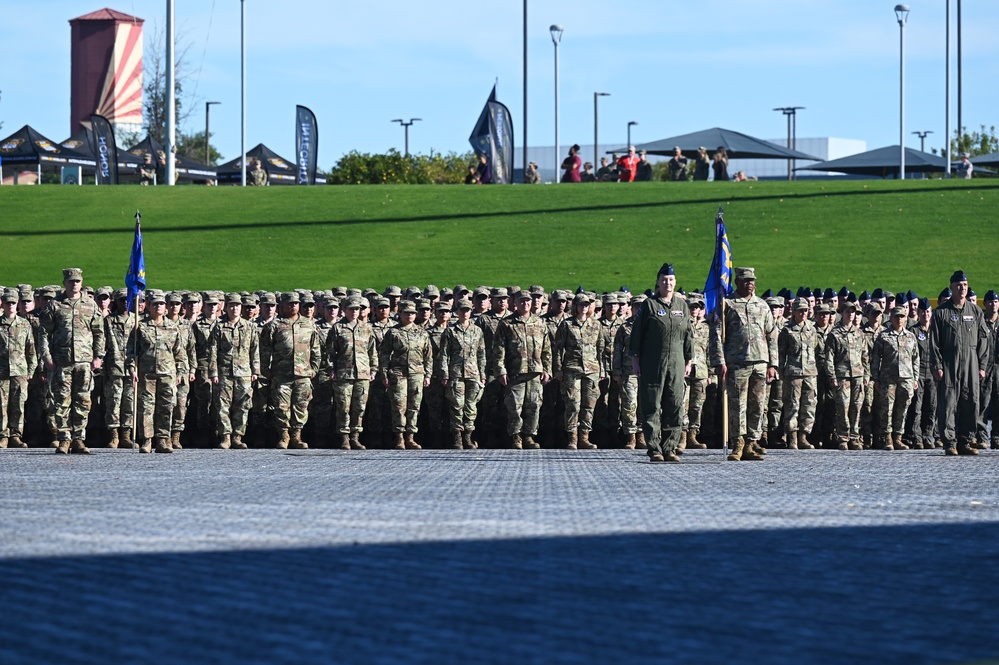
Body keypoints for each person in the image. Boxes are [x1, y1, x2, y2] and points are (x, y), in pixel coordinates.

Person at [709, 266, 777, 462]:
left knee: (758, 404)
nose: (750, 284)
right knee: (737, 404)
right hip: (737, 361)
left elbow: (772, 335)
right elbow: (717, 335)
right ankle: (737, 442)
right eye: (746, 280)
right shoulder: (727, 304)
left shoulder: (762, 306)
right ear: (737, 282)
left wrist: (773, 364)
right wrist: (719, 361)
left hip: (760, 362)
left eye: (753, 280)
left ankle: (751, 443)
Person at [630, 263, 693, 463]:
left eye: (671, 280)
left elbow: (688, 335)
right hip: (652, 363)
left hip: (677, 362)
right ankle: (654, 448)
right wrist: (635, 360)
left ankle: (670, 448)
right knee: (652, 405)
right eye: (664, 280)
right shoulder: (650, 305)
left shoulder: (681, 305)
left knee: (675, 405)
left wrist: (689, 360)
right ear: (658, 282)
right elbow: (637, 334)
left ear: (675, 282)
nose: (668, 283)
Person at [39, 268, 105, 455]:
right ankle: (64, 439)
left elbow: (99, 333)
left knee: (83, 400)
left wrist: (98, 356)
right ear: (64, 283)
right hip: (62, 361)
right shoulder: (55, 305)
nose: (74, 284)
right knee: (61, 401)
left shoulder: (90, 305)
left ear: (81, 283)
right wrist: (47, 358)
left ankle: (79, 439)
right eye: (71, 281)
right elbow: (43, 333)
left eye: (77, 281)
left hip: (84, 360)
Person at [931, 270, 988, 456]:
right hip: (949, 361)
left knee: (970, 400)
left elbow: (983, 340)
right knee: (948, 402)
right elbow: (934, 342)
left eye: (964, 284)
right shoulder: (941, 313)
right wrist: (937, 366)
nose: (962, 288)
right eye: (958, 285)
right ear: (951, 287)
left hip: (971, 362)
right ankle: (950, 442)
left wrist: (982, 366)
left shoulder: (975, 311)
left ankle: (965, 440)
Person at [126, 289, 187, 454]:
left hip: (167, 374)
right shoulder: (141, 327)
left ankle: (163, 440)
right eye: (155, 304)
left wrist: (181, 372)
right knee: (146, 408)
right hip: (147, 374)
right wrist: (132, 369)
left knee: (166, 407)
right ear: (149, 306)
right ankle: (146, 440)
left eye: (161, 304)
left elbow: (180, 353)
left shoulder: (173, 328)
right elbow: (131, 352)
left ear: (165, 307)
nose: (158, 307)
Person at [260, 291, 321, 450]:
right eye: (289, 303)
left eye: (295, 303)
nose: (293, 306)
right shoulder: (275, 326)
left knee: (301, 406)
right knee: (281, 406)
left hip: (303, 374)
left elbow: (315, 349)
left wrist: (314, 368)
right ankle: (284, 435)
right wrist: (266, 369)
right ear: (282, 306)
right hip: (281, 374)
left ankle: (297, 436)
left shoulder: (309, 325)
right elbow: (265, 350)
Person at [494, 290, 551, 449]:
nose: (525, 304)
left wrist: (547, 370)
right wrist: (501, 370)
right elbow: (499, 349)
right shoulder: (507, 324)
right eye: (522, 301)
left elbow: (547, 349)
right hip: (515, 372)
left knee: (533, 406)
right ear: (515, 303)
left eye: (528, 301)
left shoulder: (540, 323)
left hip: (535, 372)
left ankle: (529, 436)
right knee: (514, 407)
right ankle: (516, 437)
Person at [553, 293, 606, 450]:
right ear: (575, 306)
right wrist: (558, 370)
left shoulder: (596, 325)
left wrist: (602, 370)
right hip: (572, 368)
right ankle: (572, 438)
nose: (584, 307)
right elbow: (558, 349)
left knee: (589, 404)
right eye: (581, 304)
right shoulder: (566, 325)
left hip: (592, 369)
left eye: (587, 304)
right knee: (572, 404)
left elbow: (600, 349)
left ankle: (584, 436)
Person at [209, 293, 260, 450]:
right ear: (226, 308)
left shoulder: (250, 326)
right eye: (231, 305)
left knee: (243, 405)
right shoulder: (219, 326)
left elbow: (254, 349)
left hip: (244, 372)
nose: (234, 308)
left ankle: (237, 436)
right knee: (223, 405)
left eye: (237, 306)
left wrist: (255, 370)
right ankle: (225, 437)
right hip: (224, 372)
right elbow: (213, 350)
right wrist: (214, 372)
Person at [379, 300, 432, 449]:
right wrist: (384, 373)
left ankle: (410, 436)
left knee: (414, 405)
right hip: (398, 373)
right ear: (400, 314)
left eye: (412, 313)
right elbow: (384, 354)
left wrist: (428, 374)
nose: (410, 315)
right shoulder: (393, 332)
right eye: (407, 313)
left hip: (417, 374)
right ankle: (399, 437)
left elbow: (428, 356)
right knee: (398, 405)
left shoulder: (422, 333)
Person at [327, 296, 378, 451]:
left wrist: (373, 369)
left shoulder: (366, 328)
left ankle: (355, 437)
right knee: (343, 407)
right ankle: (344, 437)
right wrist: (331, 370)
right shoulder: (337, 328)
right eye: (352, 309)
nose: (355, 312)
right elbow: (330, 352)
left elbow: (372, 351)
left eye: (357, 309)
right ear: (345, 310)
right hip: (344, 374)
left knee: (360, 407)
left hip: (362, 373)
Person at [437, 297, 486, 449]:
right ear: (457, 312)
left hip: (473, 374)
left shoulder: (477, 331)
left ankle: (468, 437)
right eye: (462, 310)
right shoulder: (450, 331)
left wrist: (482, 374)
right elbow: (444, 354)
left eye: (468, 310)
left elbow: (481, 354)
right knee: (457, 406)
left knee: (471, 407)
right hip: (456, 373)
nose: (465, 313)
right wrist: (444, 374)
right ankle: (457, 437)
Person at [871, 306, 919, 450]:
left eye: (902, 316)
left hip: (906, 378)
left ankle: (898, 437)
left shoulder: (911, 336)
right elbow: (875, 358)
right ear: (891, 318)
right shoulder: (884, 336)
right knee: (887, 408)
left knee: (902, 408)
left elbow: (915, 358)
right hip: (888, 378)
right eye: (896, 316)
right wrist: (876, 378)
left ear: (906, 318)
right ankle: (887, 438)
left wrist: (915, 378)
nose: (899, 319)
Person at [823, 301, 868, 450]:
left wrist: (866, 375)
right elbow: (829, 358)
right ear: (841, 313)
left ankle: (854, 437)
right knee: (842, 407)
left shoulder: (859, 333)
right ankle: (843, 437)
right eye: (847, 312)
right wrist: (832, 377)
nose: (850, 314)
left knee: (856, 406)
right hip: (842, 375)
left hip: (858, 375)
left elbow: (865, 356)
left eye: (852, 312)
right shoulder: (834, 334)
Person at [778, 298, 820, 449]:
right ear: (794, 311)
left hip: (810, 371)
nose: (803, 313)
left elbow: (815, 348)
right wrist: (781, 371)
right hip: (793, 372)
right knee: (792, 405)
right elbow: (781, 353)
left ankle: (804, 435)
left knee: (809, 405)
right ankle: (792, 437)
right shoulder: (787, 329)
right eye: (800, 310)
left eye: (806, 310)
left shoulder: (812, 328)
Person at [0, 289, 36, 449]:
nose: (10, 306)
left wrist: (31, 369)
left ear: (17, 304)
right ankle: (3, 435)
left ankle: (16, 435)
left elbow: (31, 349)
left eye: (13, 303)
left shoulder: (24, 324)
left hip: (20, 370)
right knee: (2, 406)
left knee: (19, 405)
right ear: (3, 304)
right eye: (7, 303)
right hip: (1, 371)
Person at [103, 288, 138, 449]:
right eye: (122, 300)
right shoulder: (109, 321)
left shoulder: (136, 320)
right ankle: (114, 435)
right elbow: (106, 343)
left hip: (132, 368)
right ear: (116, 302)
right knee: (114, 401)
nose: (125, 303)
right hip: (114, 367)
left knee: (129, 401)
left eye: (128, 299)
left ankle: (126, 434)